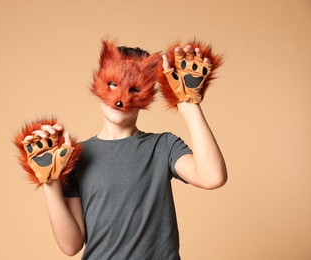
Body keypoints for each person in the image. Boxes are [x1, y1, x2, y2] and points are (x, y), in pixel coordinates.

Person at [20, 39, 227, 259]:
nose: (120, 99)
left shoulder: (163, 146)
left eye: (135, 88)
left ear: (148, 93)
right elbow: (71, 246)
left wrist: (188, 102)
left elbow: (212, 177)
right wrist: (49, 182)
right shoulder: (73, 157)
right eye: (112, 84)